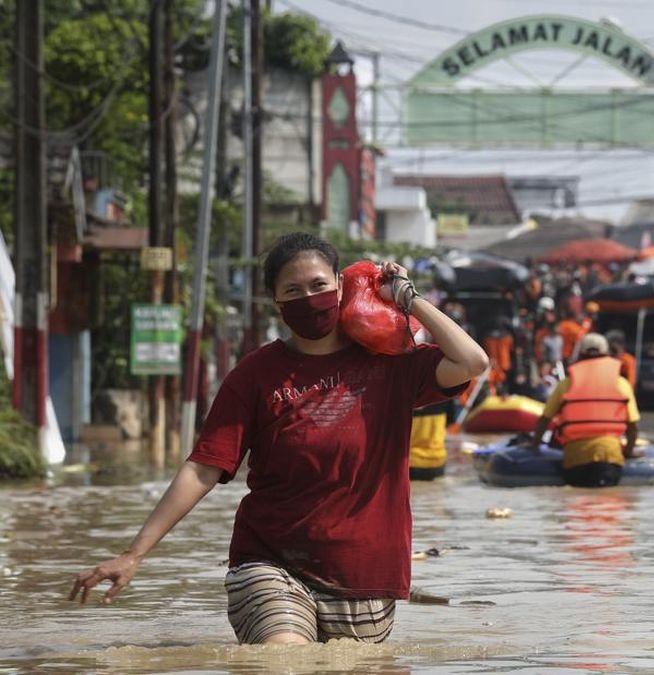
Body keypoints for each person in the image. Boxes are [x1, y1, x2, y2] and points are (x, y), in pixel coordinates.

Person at [69, 232, 489, 645]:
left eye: (319, 285)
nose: (309, 297)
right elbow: (202, 469)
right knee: (284, 658)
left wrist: (406, 297)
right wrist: (134, 554)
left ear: (341, 287)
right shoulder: (255, 375)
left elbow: (472, 361)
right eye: (294, 290)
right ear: (277, 302)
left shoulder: (390, 365)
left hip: (365, 576)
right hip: (270, 561)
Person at [529, 333, 640, 488]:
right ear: (607, 354)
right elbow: (633, 426)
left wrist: (534, 446)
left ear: (580, 354)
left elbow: (545, 420)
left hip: (576, 458)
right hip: (609, 456)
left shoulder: (566, 384)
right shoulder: (621, 383)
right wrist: (628, 451)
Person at [409, 399, 452, 480]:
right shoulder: (444, 394)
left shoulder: (403, 398)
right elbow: (450, 422)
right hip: (437, 463)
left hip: (410, 465)